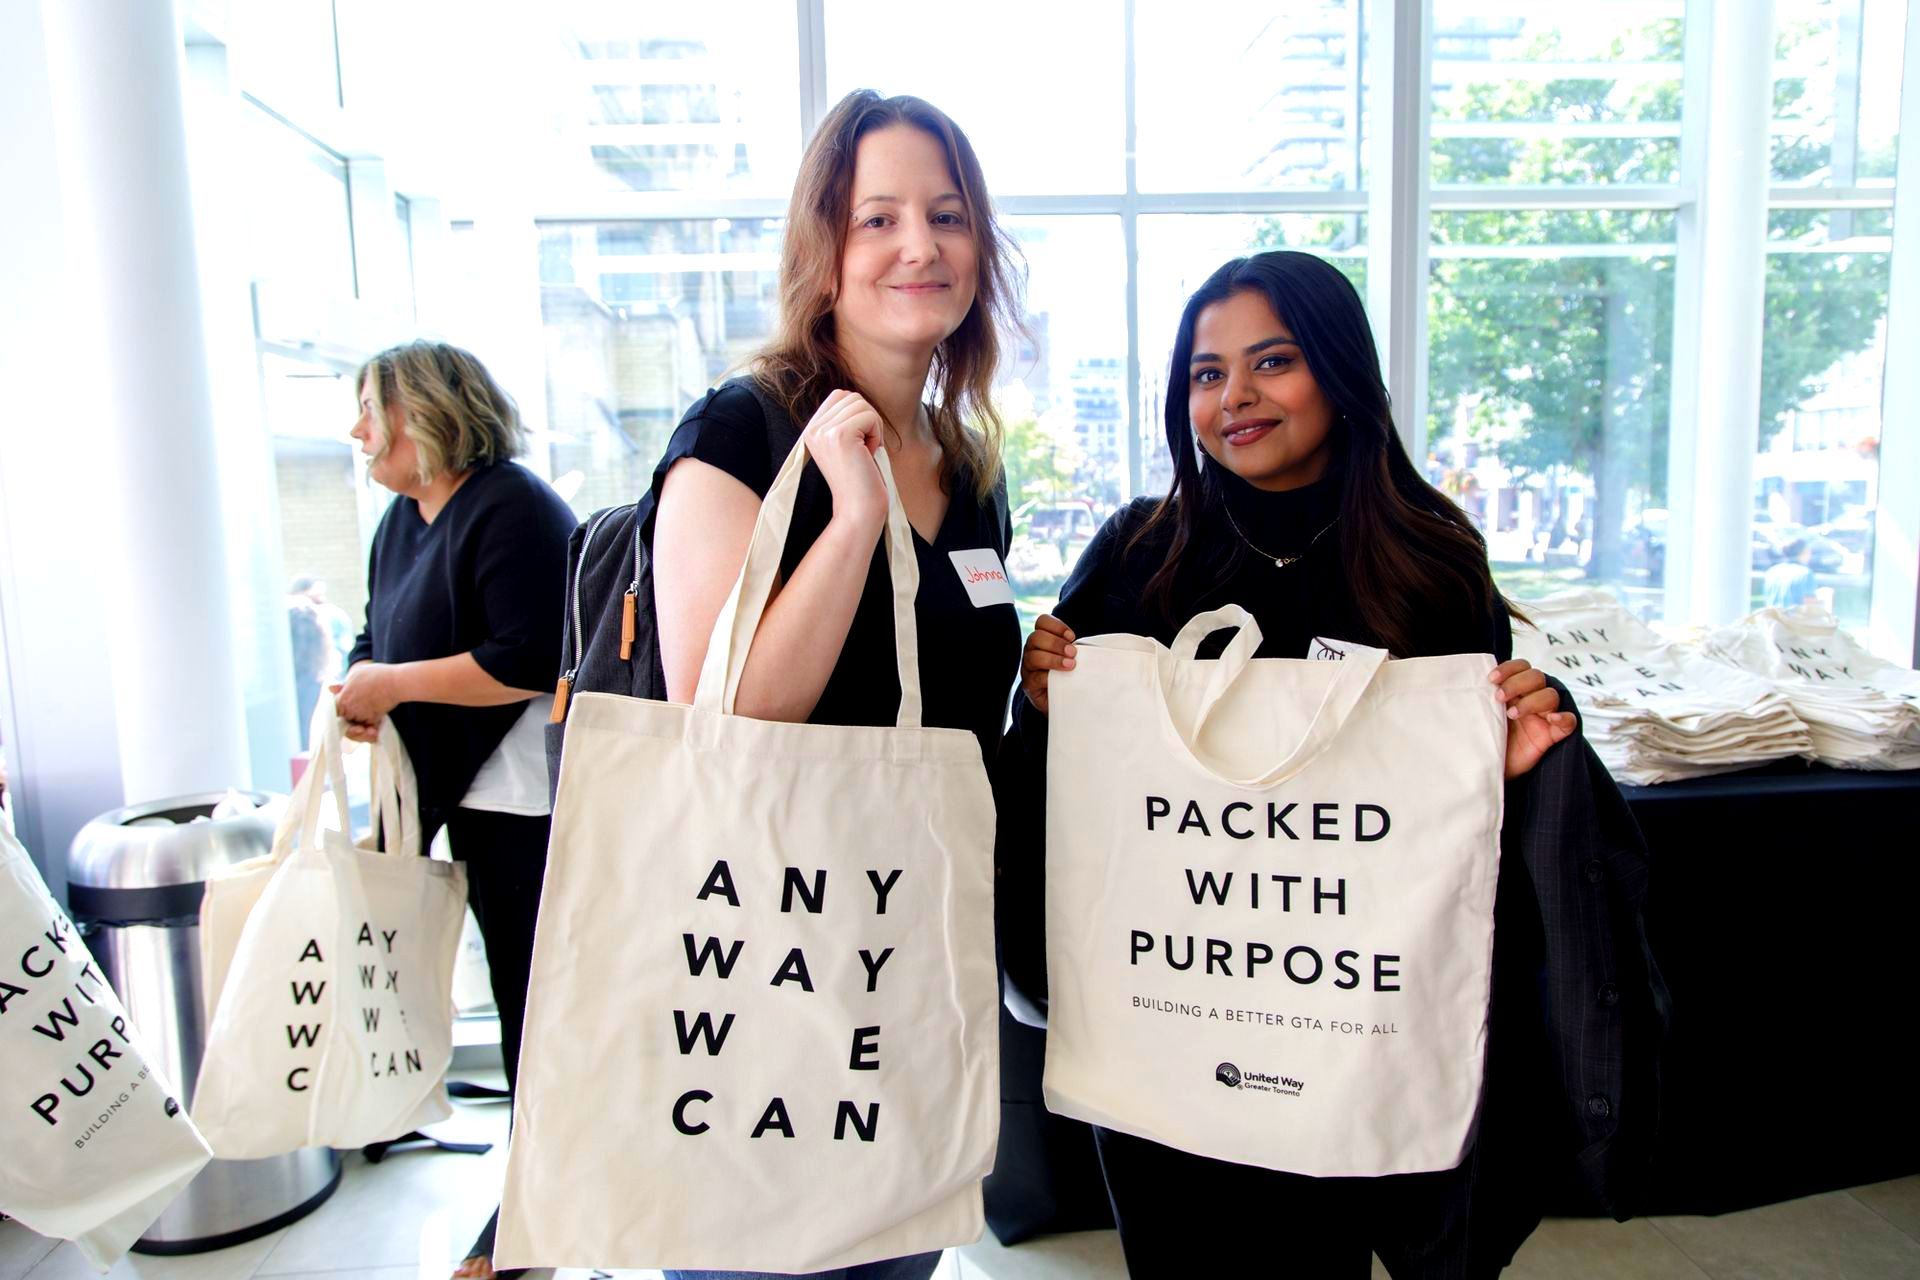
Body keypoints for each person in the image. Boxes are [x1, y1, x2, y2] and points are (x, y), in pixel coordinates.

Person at [1001, 251, 1662, 1278]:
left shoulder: (1428, 557)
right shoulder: (1140, 552)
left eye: (1275, 361)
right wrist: (1046, 703)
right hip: (1175, 1024)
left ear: (1341, 372)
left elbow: (1459, 818)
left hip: (1351, 1032)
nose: (1237, 397)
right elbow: (1060, 792)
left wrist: (1520, 750)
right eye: (1207, 373)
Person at [648, 89, 1024, 1280]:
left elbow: (958, 710)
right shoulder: (739, 433)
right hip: (765, 962)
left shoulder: (966, 464)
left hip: (910, 961)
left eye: (948, 214)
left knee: (892, 1250)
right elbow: (726, 719)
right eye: (880, 218)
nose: (921, 245)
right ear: (825, 250)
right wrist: (853, 515)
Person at [332, 340, 576, 1280]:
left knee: (538, 1022)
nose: (357, 432)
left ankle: (530, 1229)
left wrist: (391, 685)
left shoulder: (513, 510)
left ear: (423, 414)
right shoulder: (403, 520)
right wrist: (365, 687)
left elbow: (523, 658)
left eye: (370, 409)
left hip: (531, 808)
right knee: (523, 1017)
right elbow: (375, 631)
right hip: (469, 801)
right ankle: (536, 1216)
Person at [1763, 537, 1816, 609]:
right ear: (1803, 553)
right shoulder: (1805, 573)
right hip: (1794, 619)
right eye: (1809, 552)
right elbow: (1810, 607)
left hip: (1772, 618)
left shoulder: (1771, 572)